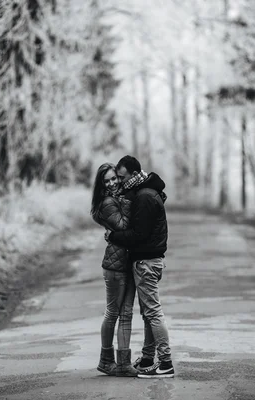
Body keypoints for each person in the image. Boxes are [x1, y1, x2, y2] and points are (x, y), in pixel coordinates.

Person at [106, 155, 175, 379]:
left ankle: (165, 363)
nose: (119, 181)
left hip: (146, 262)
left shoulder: (144, 197)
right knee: (148, 314)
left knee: (153, 313)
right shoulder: (144, 191)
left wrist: (113, 235)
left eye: (122, 177)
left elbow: (139, 235)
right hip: (148, 260)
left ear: (135, 175)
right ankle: (147, 358)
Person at [90, 163, 139, 377]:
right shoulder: (108, 202)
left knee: (126, 314)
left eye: (113, 179)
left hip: (125, 264)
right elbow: (124, 226)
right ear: (101, 184)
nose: (111, 183)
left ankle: (123, 363)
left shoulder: (116, 198)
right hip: (115, 267)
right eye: (107, 181)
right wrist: (130, 202)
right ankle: (106, 360)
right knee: (112, 313)